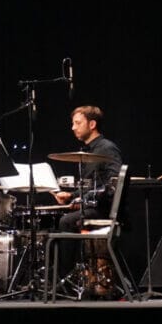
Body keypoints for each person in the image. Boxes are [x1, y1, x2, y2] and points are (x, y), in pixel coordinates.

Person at [50, 105, 124, 285]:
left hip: (104, 210)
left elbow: (112, 186)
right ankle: (63, 272)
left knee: (66, 221)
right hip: (92, 207)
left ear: (92, 124)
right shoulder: (89, 151)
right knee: (56, 218)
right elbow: (90, 186)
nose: (73, 127)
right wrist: (71, 195)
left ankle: (63, 278)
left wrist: (82, 200)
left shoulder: (107, 148)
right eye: (73, 123)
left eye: (77, 123)